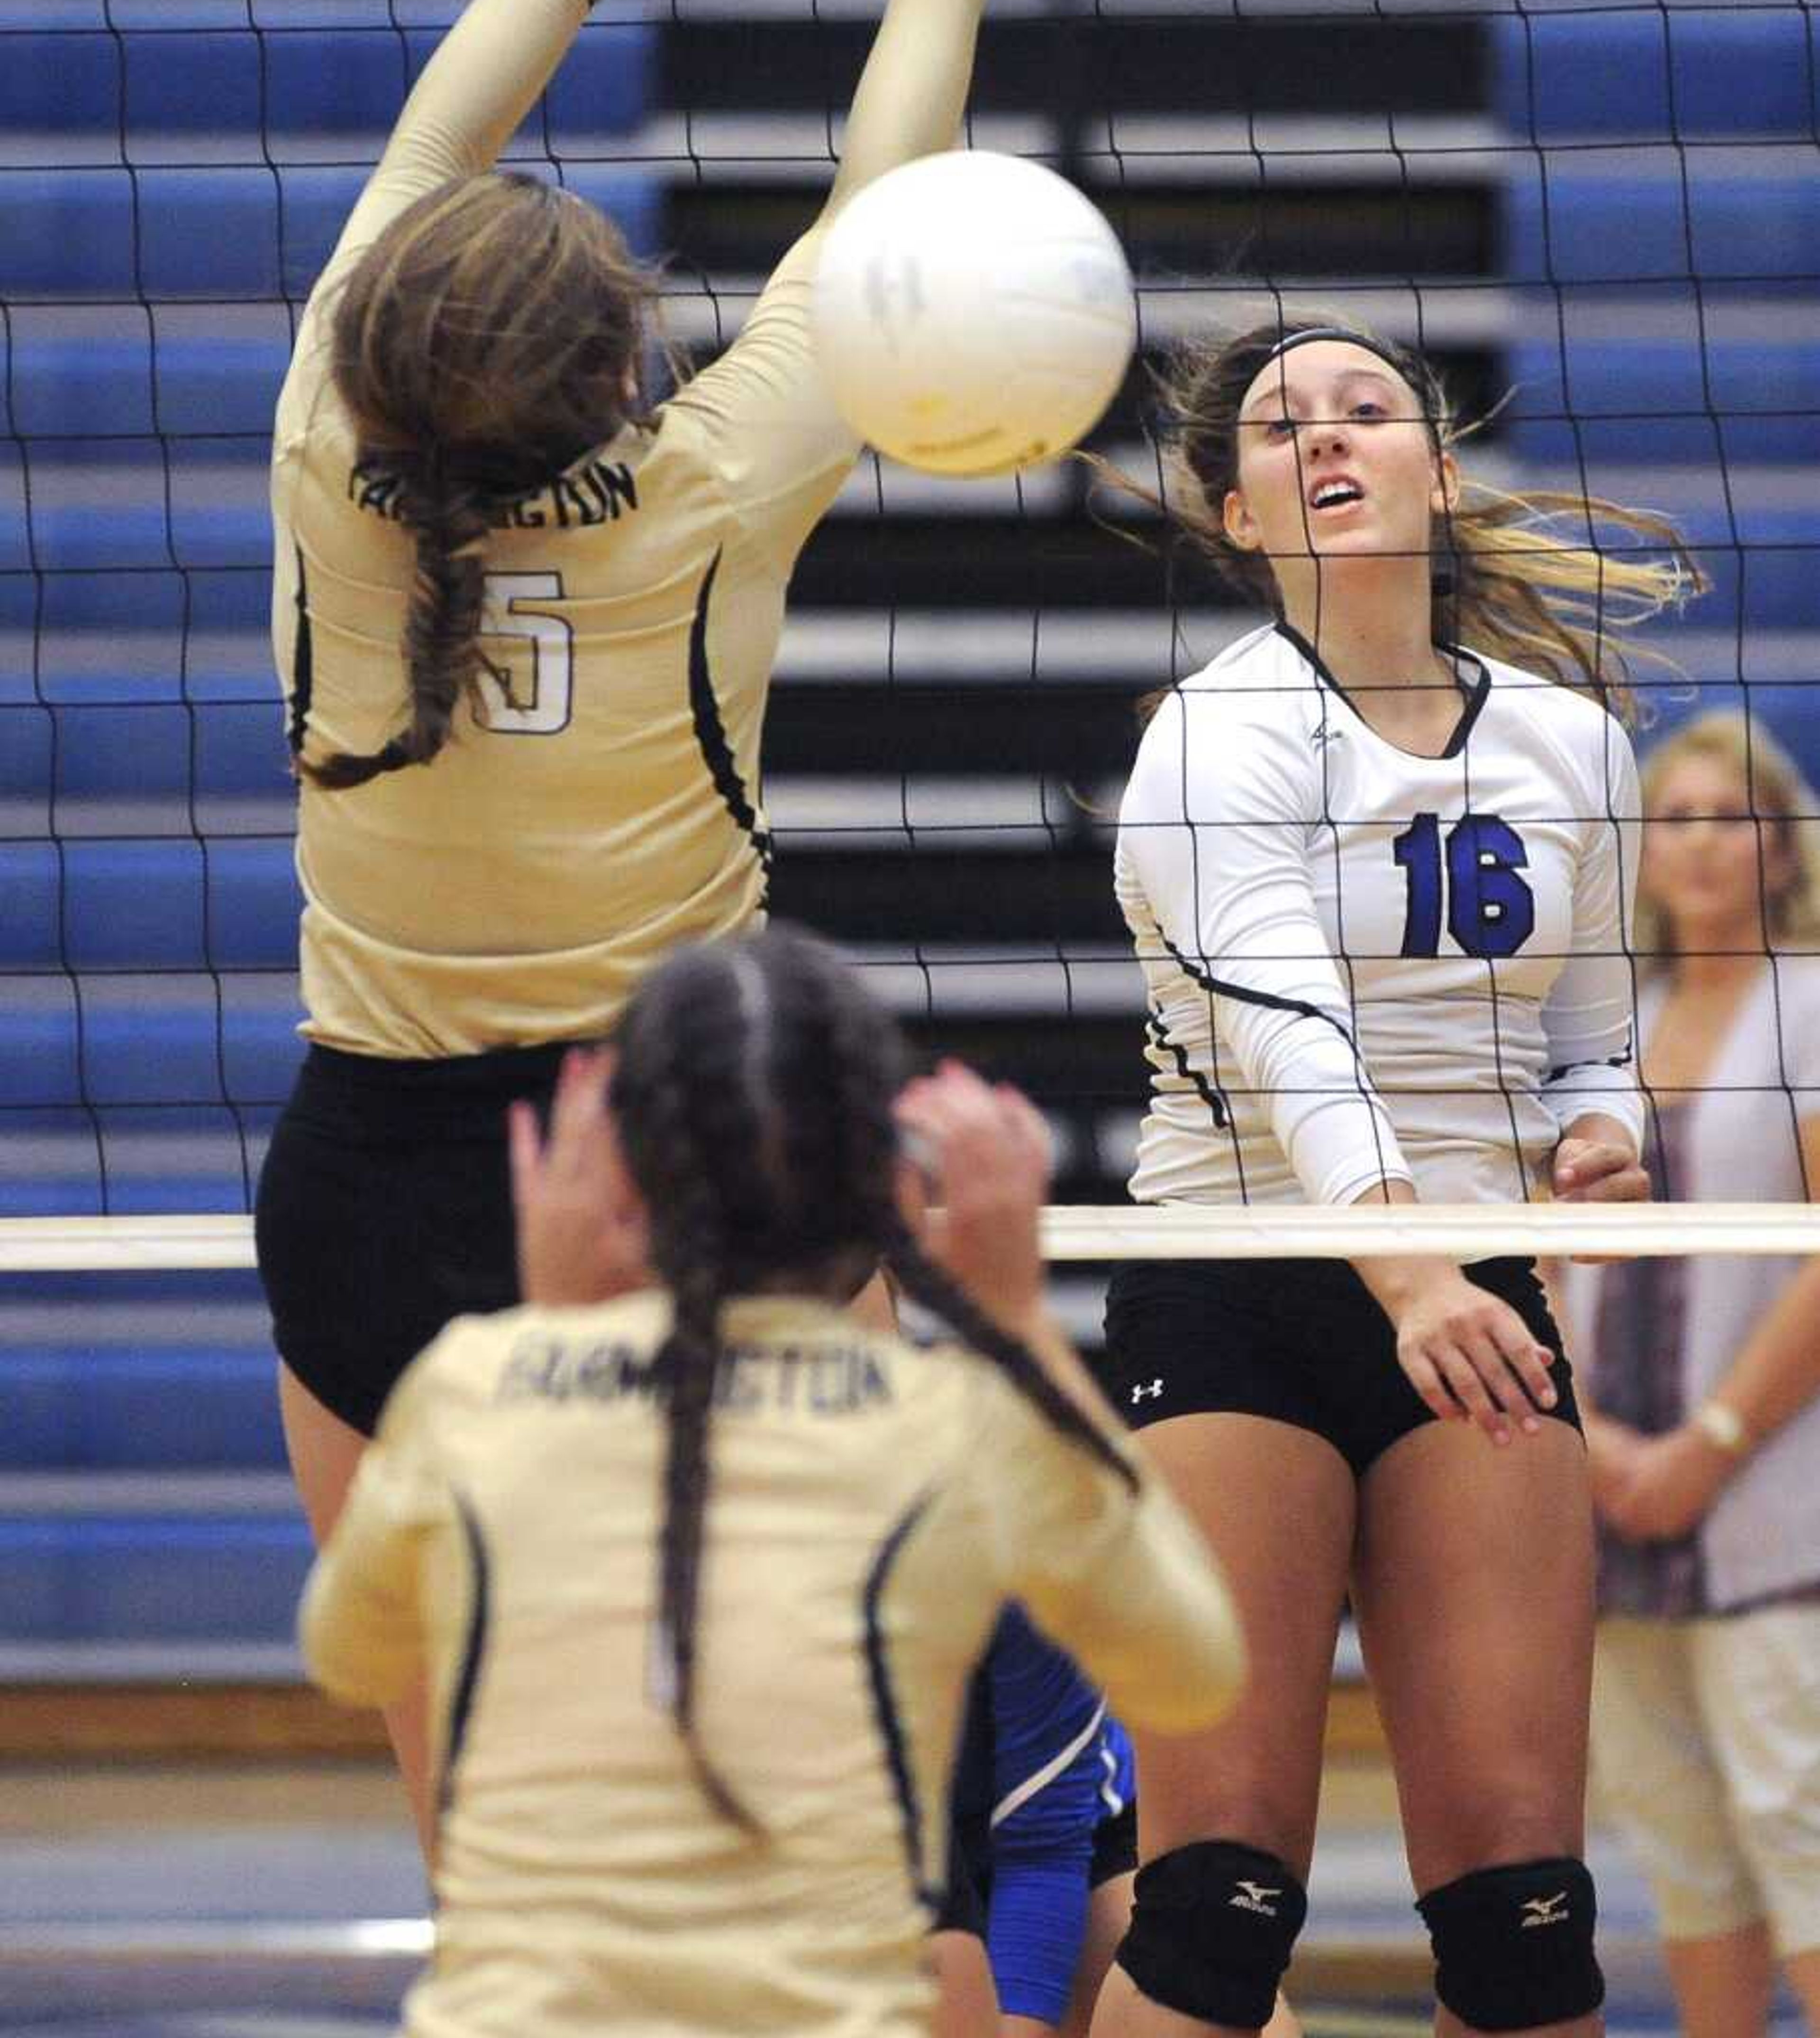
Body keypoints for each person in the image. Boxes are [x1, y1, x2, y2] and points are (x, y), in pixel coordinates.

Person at [256, 0, 1094, 1842]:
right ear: (616, 362)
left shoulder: (322, 458)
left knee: (482, 1822)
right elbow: (883, 207)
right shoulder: (707, 493)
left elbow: (426, 156)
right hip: (687, 1152)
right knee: (772, 1758)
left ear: (385, 353)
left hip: (362, 1180)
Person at [298, 923, 1245, 2038]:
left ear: (614, 1167)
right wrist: (1021, 1328)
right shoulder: (949, 1429)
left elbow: (346, 1651)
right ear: (886, 1185)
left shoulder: (473, 1392)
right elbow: (1196, 1670)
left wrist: (550, 1333)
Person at [1089, 319, 1688, 2038]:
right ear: (1237, 511)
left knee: (1525, 1922)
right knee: (1216, 1908)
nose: (1330, 438)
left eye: (1370, 410)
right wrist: (1411, 1268)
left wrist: (1599, 1141)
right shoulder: (1219, 735)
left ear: (1437, 468)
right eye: (1283, 428)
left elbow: (1589, 1039)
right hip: (1242, 1289)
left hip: (1471, 1300)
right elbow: (1290, 1040)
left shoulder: (1571, 745)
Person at [1565, 711, 1820, 2038]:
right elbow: (1548, 1257)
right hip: (1612, 1498)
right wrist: (1598, 1445)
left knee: (1800, 1818)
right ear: (1642, 853)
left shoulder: (1814, 1003)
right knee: (1681, 1837)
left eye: (1736, 816)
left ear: (1783, 849)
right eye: (1679, 816)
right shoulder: (1614, 1022)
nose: (1707, 841)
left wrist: (1708, 1444)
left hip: (1773, 1490)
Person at [941, 1605, 1138, 2037]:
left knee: (1208, 1976)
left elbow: (1044, 1852)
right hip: (872, 1834)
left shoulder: (1034, 1572)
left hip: (1071, 1828)